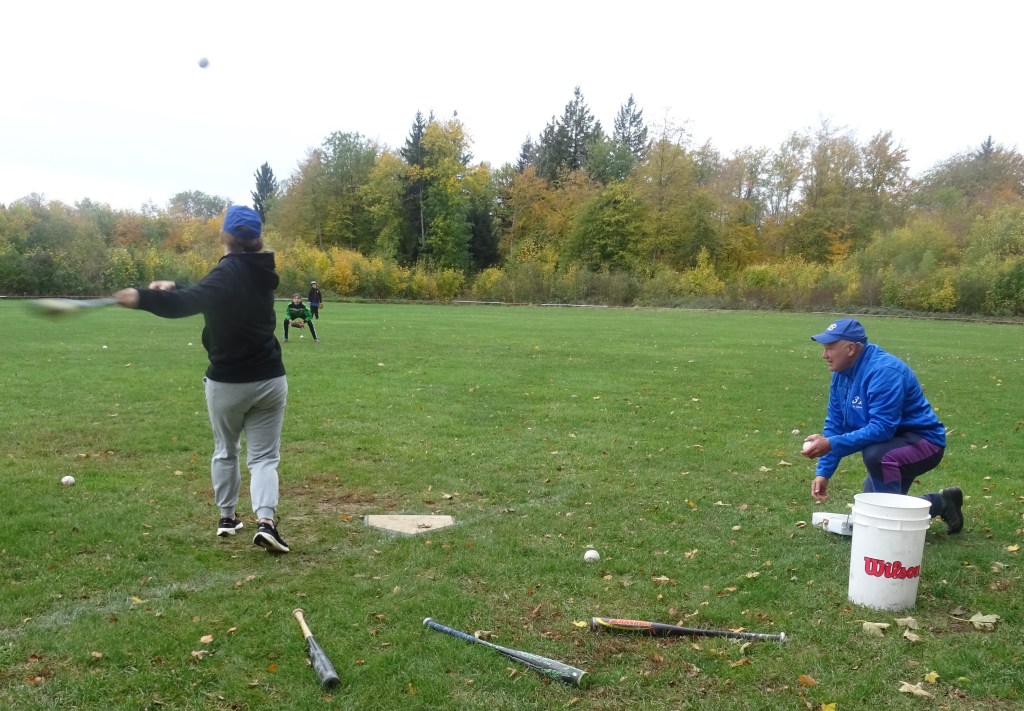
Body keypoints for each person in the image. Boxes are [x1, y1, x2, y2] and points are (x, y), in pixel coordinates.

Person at [113, 205, 290, 553]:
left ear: (224, 234)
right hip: (269, 379)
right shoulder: (260, 270)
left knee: (226, 450)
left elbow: (193, 301)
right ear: (257, 238)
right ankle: (266, 522)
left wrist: (143, 297)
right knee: (264, 458)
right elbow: (216, 297)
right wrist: (173, 287)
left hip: (228, 383)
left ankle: (227, 517)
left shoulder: (229, 270)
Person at [801, 318, 963, 534]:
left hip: (924, 443)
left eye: (830, 348)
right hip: (890, 445)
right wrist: (824, 472)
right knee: (872, 513)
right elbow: (835, 425)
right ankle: (942, 502)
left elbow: (882, 428)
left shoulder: (884, 371)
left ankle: (889, 530)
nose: (824, 355)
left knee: (878, 468)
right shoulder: (841, 374)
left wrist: (831, 444)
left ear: (851, 349)